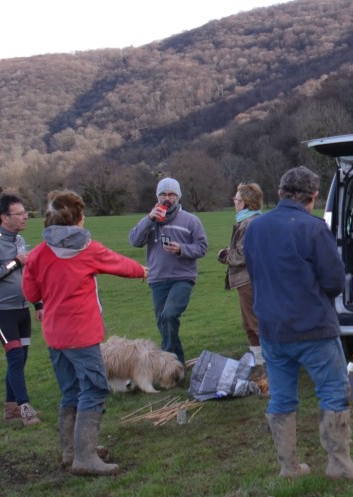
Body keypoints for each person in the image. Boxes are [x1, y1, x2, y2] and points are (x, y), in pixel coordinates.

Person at [244, 166, 353, 480]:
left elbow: (253, 272)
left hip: (272, 329)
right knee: (333, 391)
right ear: (313, 196)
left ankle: (288, 467)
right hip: (313, 327)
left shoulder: (255, 228)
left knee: (282, 395)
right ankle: (339, 464)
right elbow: (333, 282)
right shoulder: (315, 229)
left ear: (279, 192)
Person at [22, 190, 148, 475]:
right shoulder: (86, 249)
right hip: (81, 334)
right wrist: (141, 270)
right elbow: (118, 263)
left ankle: (71, 451)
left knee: (71, 391)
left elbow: (30, 291)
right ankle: (85, 457)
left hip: (55, 335)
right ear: (79, 218)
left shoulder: (38, 253)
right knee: (95, 387)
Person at [128, 176, 207, 367]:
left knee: (170, 315)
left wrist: (181, 249)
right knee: (163, 323)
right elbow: (134, 241)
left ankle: (167, 363)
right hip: (157, 278)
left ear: (178, 196)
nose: (167, 198)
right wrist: (149, 219)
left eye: (172, 194)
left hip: (182, 277)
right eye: (163, 194)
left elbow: (202, 247)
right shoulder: (151, 219)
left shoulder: (191, 221)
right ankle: (175, 366)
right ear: (157, 196)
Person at [0, 193, 41, 427]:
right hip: (1, 309)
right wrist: (16, 262)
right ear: (4, 217)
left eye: (25, 212)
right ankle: (25, 408)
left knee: (21, 357)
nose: (25, 216)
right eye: (20, 213)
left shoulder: (19, 239)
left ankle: (10, 408)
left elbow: (29, 274)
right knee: (15, 356)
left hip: (22, 307)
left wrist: (38, 304)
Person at [218, 182, 265, 366]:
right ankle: (259, 361)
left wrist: (224, 255)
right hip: (254, 278)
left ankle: (262, 363)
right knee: (251, 323)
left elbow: (242, 255)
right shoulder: (255, 220)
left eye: (236, 199)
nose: (234, 202)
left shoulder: (248, 223)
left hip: (248, 279)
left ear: (244, 203)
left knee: (253, 324)